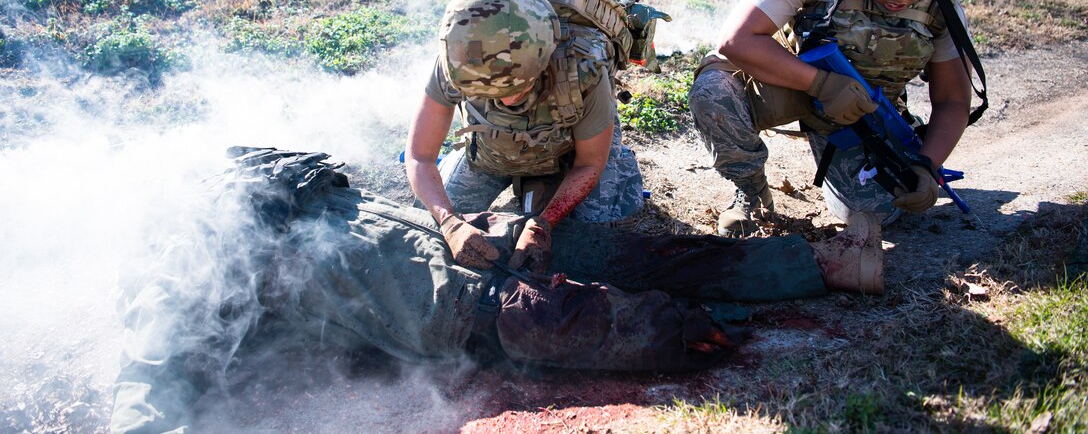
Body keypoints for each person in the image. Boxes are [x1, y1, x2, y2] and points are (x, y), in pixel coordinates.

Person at [110, 146, 885, 432]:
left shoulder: (283, 190)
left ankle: (817, 266)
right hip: (466, 304)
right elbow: (144, 382)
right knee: (649, 319)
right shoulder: (187, 260)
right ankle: (757, 302)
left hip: (484, 251)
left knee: (648, 261)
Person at [689, 0, 974, 293]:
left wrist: (927, 164)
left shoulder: (941, 5)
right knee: (713, 92)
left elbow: (953, 100)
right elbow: (735, 40)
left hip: (859, 115)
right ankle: (750, 192)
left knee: (876, 210)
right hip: (789, 82)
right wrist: (820, 83)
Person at [406, 0, 647, 276]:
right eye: (492, 94)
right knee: (426, 226)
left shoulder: (583, 67)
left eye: (518, 89)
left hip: (569, 152)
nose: (506, 100)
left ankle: (597, 173)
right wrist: (450, 222)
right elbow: (420, 156)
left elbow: (589, 163)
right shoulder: (457, 61)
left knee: (592, 240)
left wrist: (545, 223)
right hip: (492, 151)